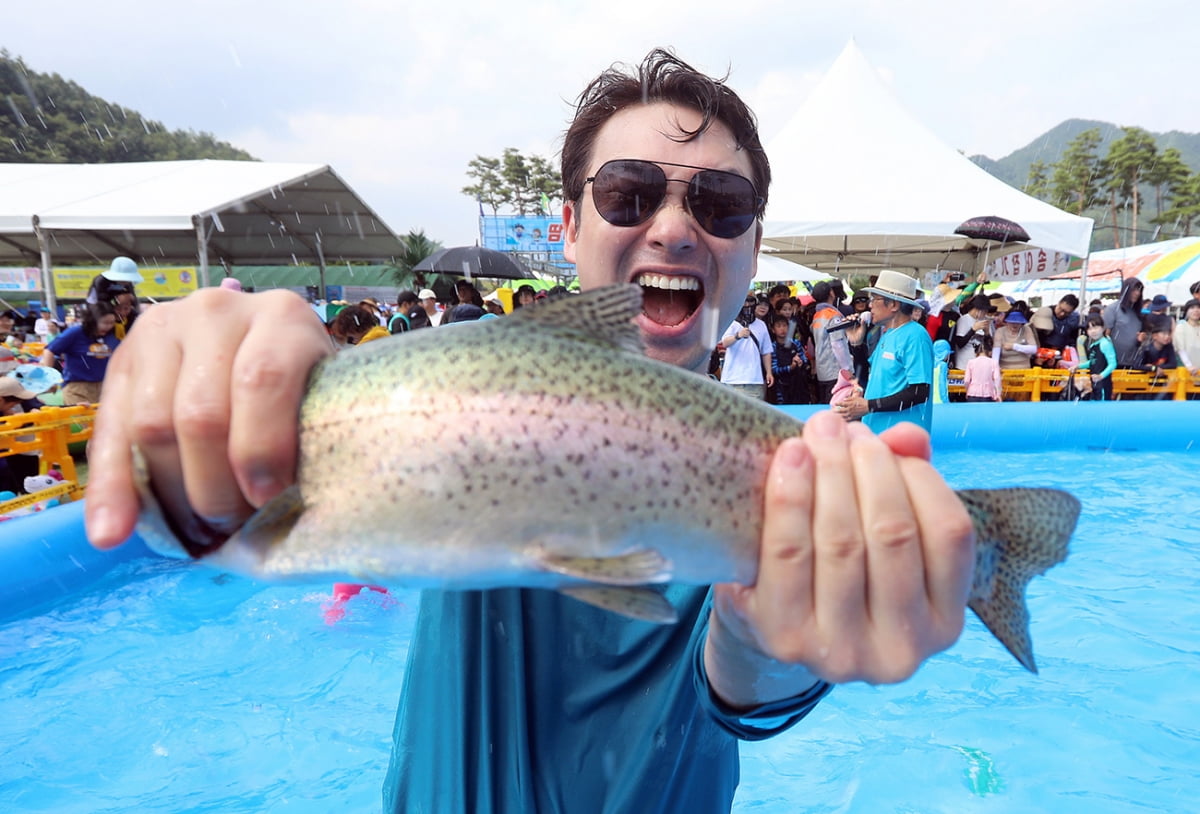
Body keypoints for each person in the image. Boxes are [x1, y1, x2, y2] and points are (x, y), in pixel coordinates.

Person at [85, 50, 974, 814]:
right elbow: (220, 506)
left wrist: (776, 645)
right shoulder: (456, 384)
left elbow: (747, 682)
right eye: (628, 195)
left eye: (720, 203)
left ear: (751, 241)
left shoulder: (794, 481)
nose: (671, 226)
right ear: (569, 224)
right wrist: (209, 382)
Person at [832, 270, 933, 434]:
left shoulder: (916, 336)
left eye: (874, 299)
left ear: (894, 305)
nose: (869, 305)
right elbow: (869, 376)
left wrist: (870, 405)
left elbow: (920, 391)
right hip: (879, 433)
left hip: (903, 439)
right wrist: (856, 343)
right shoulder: (889, 333)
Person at [39, 301, 119, 405]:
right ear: (92, 320)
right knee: (80, 420)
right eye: (105, 323)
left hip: (104, 387)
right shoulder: (75, 333)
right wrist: (49, 379)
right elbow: (49, 350)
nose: (108, 326)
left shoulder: (111, 337)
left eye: (112, 323)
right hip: (77, 389)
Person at [719, 294, 773, 399]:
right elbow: (725, 342)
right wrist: (738, 336)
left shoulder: (761, 325)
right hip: (732, 379)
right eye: (744, 302)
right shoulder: (732, 322)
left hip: (754, 380)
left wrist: (769, 372)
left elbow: (766, 351)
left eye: (751, 302)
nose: (747, 305)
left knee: (753, 413)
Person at [809, 281, 852, 403]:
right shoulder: (834, 316)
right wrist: (846, 369)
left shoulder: (817, 315)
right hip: (835, 372)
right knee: (837, 408)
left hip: (822, 371)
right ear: (831, 293)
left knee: (825, 406)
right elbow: (837, 344)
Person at [1103, 278, 1146, 368]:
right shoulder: (1112, 309)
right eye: (1134, 290)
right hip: (1112, 363)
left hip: (1132, 363)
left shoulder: (1138, 313)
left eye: (1139, 290)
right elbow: (1105, 336)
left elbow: (1137, 337)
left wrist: (1140, 340)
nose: (1137, 293)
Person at [767, 314, 809, 405]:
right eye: (778, 326)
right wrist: (790, 367)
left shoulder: (796, 343)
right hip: (781, 387)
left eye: (785, 326)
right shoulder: (772, 347)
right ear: (773, 330)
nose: (782, 329)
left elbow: (805, 360)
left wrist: (801, 363)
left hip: (799, 385)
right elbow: (774, 369)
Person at [1074, 313, 1117, 401]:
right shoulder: (1093, 345)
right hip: (1095, 382)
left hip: (1103, 383)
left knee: (1103, 407)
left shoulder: (1105, 343)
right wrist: (1078, 366)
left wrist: (1101, 376)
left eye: (1096, 327)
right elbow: (1093, 362)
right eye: (1089, 328)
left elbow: (1113, 364)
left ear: (1103, 328)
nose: (1093, 331)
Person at [1030, 294, 1080, 367]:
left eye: (1067, 313)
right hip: (1039, 353)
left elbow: (1072, 339)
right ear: (1059, 302)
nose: (1062, 314)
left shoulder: (1074, 319)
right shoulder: (1045, 313)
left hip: (1059, 356)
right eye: (1061, 309)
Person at [951, 294, 993, 371]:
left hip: (980, 366)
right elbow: (960, 343)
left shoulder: (985, 321)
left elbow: (989, 347)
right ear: (978, 309)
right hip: (963, 365)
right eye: (984, 311)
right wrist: (973, 330)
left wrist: (987, 333)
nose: (985, 313)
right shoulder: (963, 320)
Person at [963, 335, 1002, 402]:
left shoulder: (971, 362)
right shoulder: (993, 362)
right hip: (988, 394)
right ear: (990, 351)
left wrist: (967, 391)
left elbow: (966, 380)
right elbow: (997, 380)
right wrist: (998, 394)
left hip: (972, 393)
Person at [1173, 298, 1200, 378]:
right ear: (1186, 311)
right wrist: (1189, 366)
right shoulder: (1181, 327)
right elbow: (1181, 350)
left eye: (1198, 308)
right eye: (1192, 308)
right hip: (1185, 370)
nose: (1196, 310)